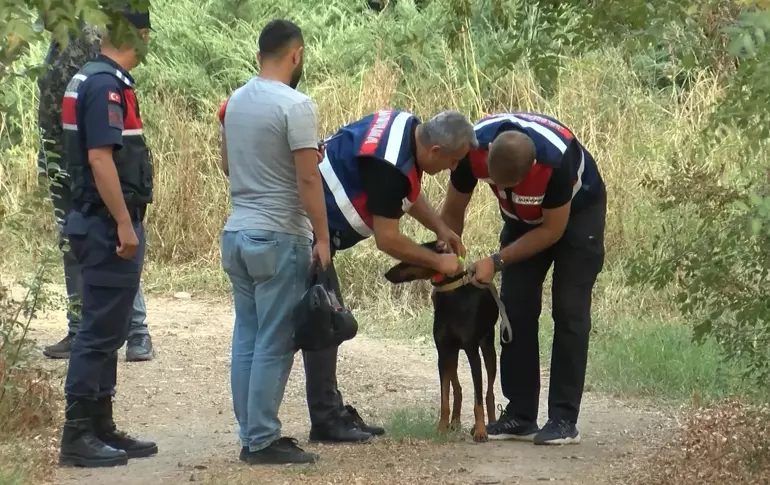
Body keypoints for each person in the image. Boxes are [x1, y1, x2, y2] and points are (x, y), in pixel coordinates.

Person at [302, 108, 477, 443]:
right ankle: (321, 420)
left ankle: (328, 413)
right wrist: (438, 263)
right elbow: (388, 238)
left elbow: (407, 192)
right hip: (306, 234)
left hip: (315, 231)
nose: (454, 169)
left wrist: (441, 226)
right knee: (324, 321)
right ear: (436, 152)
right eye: (454, 161)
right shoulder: (390, 166)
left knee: (324, 320)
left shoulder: (407, 127)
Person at [441, 112, 606, 446]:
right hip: (521, 219)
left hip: (576, 217)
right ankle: (520, 413)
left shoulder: (555, 161)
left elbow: (552, 231)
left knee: (569, 309)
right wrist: (448, 255)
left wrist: (497, 260)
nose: (498, 190)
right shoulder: (471, 148)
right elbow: (454, 208)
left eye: (507, 186)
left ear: (530, 170)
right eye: (494, 183)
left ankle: (562, 419)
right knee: (514, 306)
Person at [217, 19, 328, 465]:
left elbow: (228, 164)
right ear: (296, 54)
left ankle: (251, 434)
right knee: (275, 339)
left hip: (237, 232)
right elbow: (307, 178)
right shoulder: (297, 105)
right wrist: (322, 236)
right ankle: (262, 439)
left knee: (247, 333)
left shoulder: (235, 102)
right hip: (279, 235)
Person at [57, 7, 158, 468]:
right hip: (103, 225)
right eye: (147, 34)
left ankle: (101, 425)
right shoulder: (104, 84)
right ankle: (78, 434)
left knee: (110, 328)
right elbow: (101, 159)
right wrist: (122, 222)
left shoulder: (96, 79)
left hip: (100, 222)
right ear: (138, 34)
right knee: (98, 332)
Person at [37, 21, 154, 363]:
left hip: (94, 161)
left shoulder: (91, 37)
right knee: (77, 245)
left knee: (116, 242)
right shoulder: (54, 45)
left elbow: (107, 96)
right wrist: (47, 160)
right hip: (64, 161)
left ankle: (135, 331)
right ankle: (79, 326)